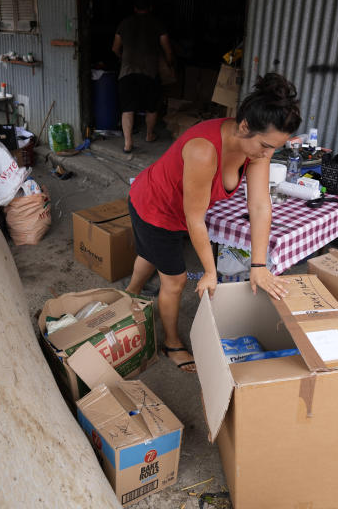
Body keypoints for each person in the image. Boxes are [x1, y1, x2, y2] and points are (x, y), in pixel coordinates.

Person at [126, 74, 302, 372]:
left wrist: (259, 266)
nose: (267, 153)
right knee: (175, 279)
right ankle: (172, 344)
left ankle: (130, 296)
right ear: (244, 126)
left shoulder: (257, 148)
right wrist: (209, 272)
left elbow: (260, 205)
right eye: (264, 145)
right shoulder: (203, 150)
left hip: (177, 208)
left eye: (274, 147)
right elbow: (195, 219)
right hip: (154, 206)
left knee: (151, 253)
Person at [112, 0, 174, 153]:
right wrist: (168, 63)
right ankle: (149, 135)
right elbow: (167, 49)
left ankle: (127, 144)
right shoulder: (157, 24)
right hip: (149, 73)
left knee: (127, 109)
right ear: (150, 8)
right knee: (151, 108)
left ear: (134, 8)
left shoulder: (124, 23)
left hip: (126, 73)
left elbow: (115, 48)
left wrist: (123, 59)